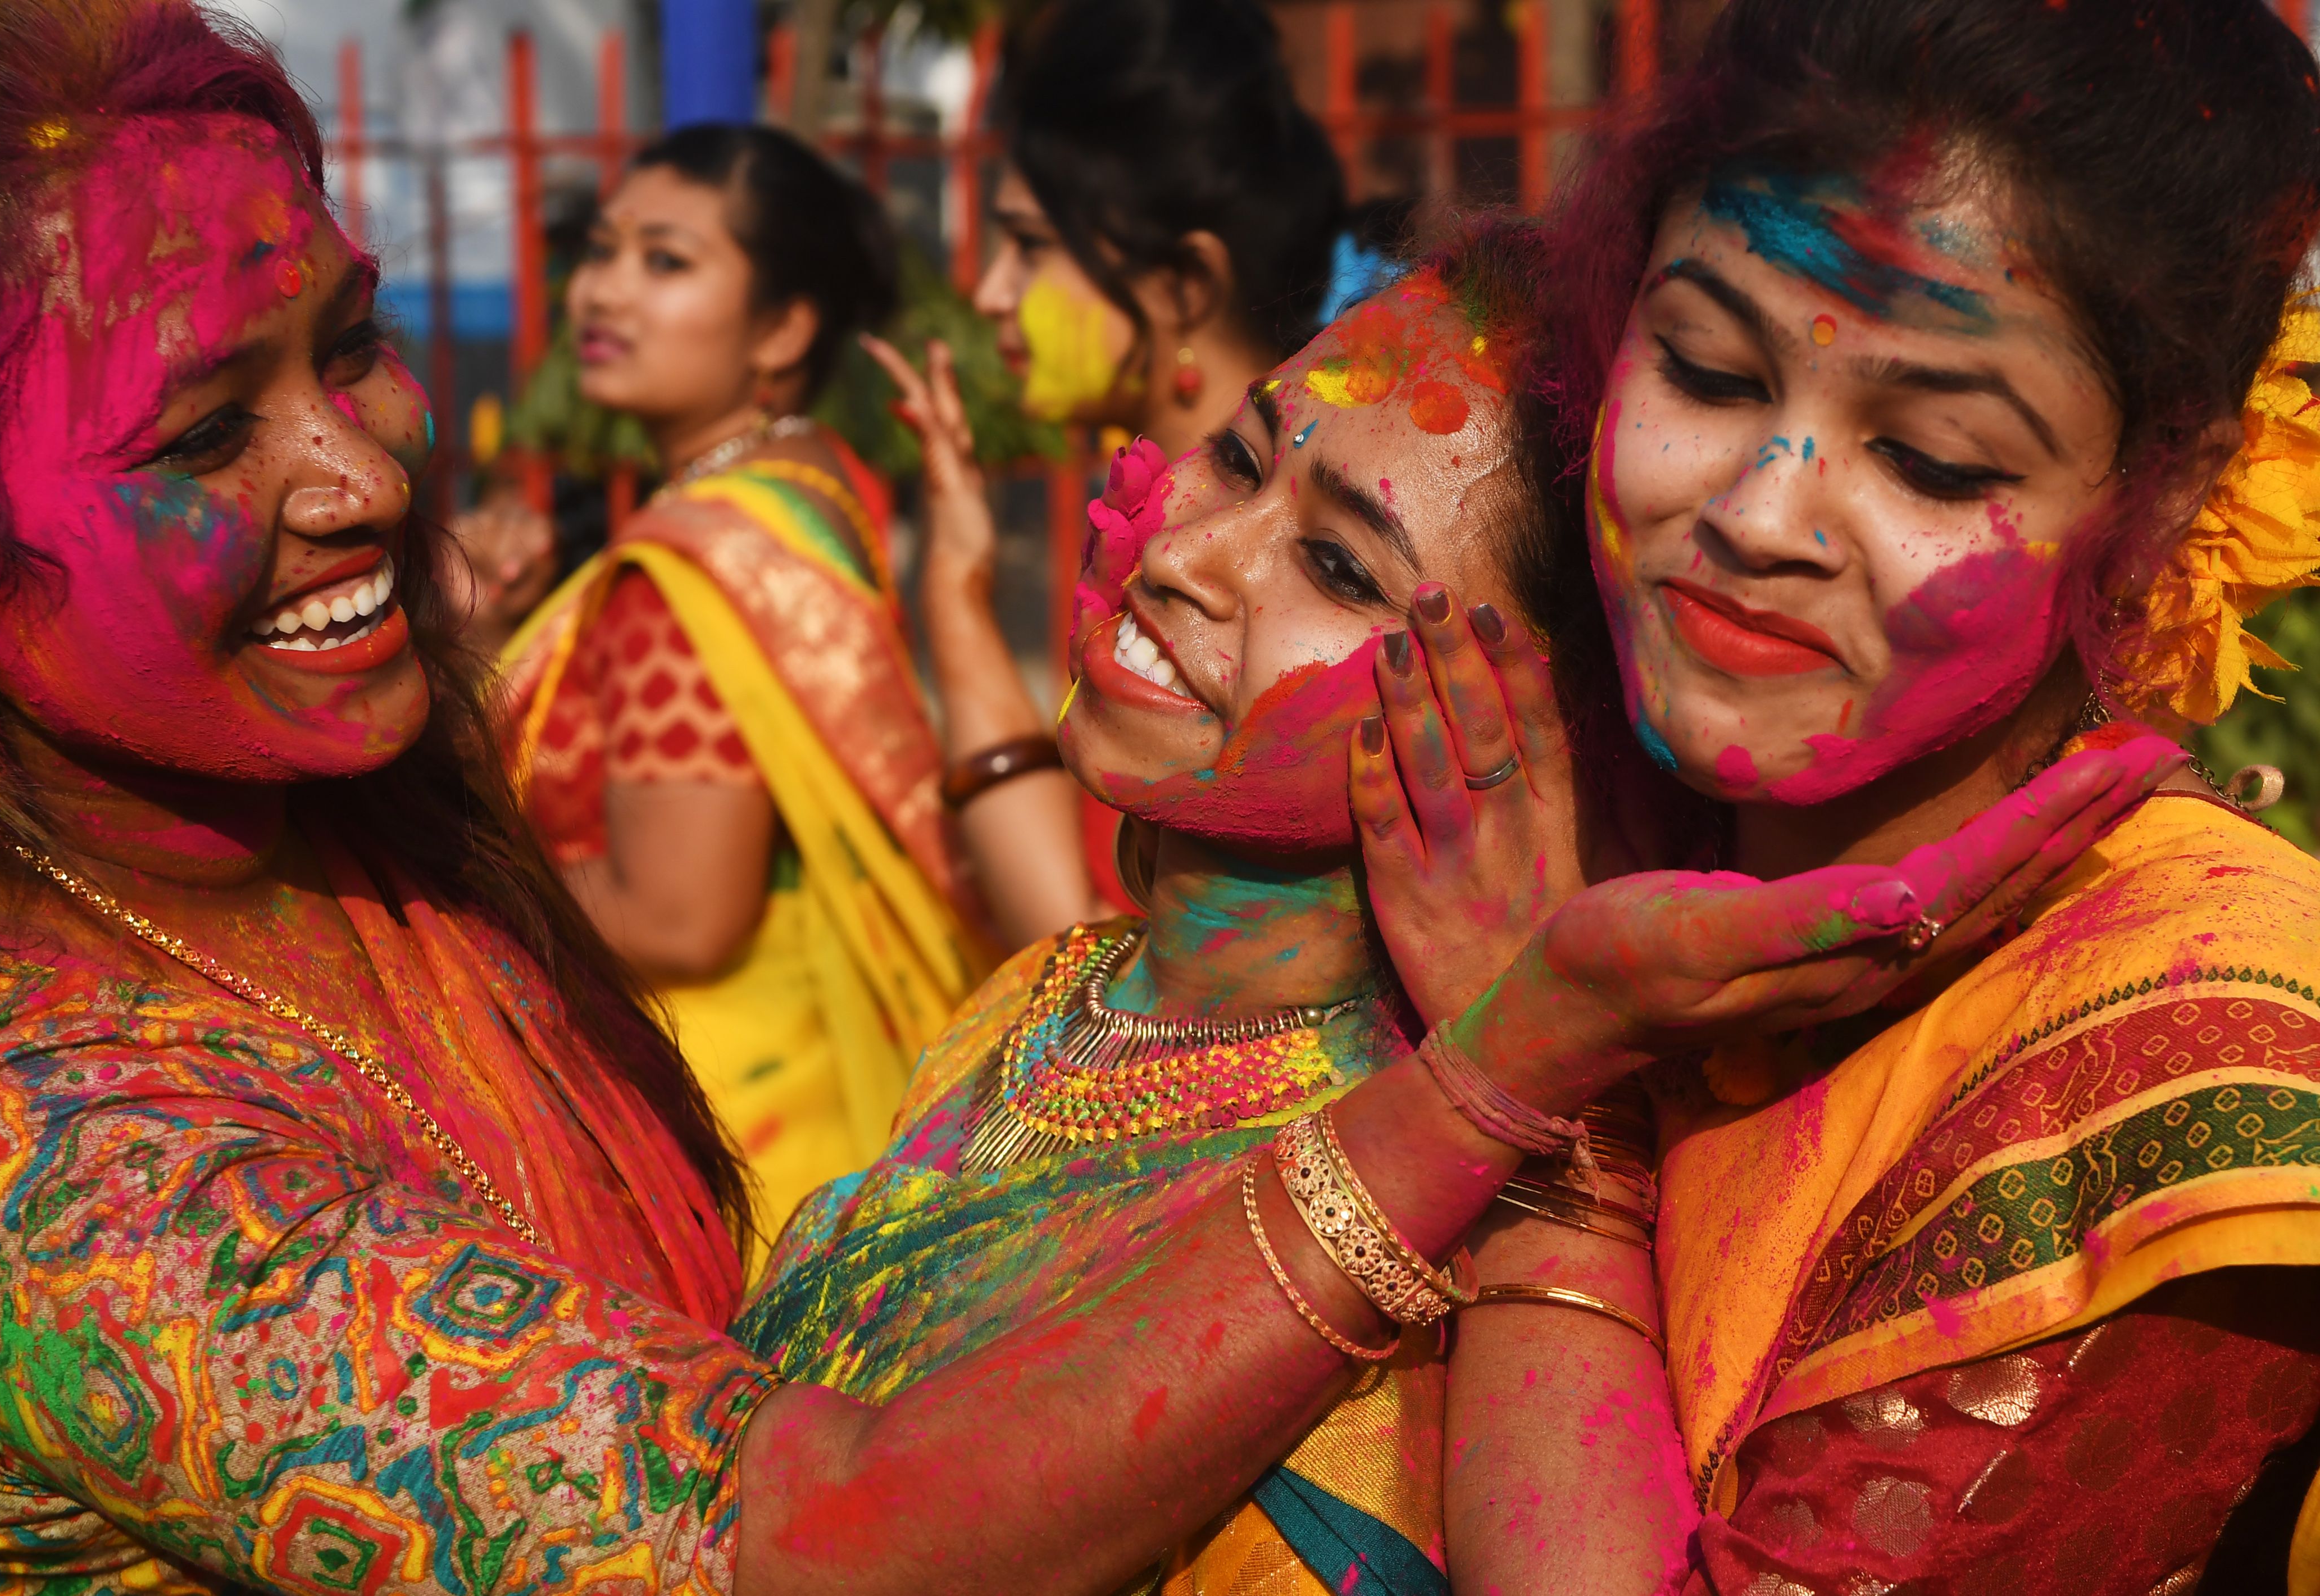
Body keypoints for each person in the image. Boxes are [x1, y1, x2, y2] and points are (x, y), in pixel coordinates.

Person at [0, 9, 2144, 1593]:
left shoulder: (1424, 1166)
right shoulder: (41, 1166)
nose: (371, 467)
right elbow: (802, 1518)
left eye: (358, 343)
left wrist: (1513, 1108)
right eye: (205, 435)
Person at [737, 223, 2176, 1593]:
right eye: (1240, 455)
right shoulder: (1049, 996)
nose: (1189, 554)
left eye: (1339, 566)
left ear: (1533, 724)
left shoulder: (1447, 1228)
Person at [1372, 0, 2320, 1588]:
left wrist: (1537, 1107)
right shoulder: (1531, 804)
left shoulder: (2192, 1065)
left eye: (1937, 461)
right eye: (1707, 367)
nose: (1760, 513)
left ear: (2163, 500)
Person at [494, 124, 992, 1235]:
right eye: (606, 249)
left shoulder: (692, 568)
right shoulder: (807, 490)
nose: (604, 292)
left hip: (727, 1133)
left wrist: (458, 873)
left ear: (781, 328)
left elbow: (678, 916)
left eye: (666, 262)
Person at [870, 0, 1352, 944]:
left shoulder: (1229, 566)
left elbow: (1085, 943)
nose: (991, 291)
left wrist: (959, 607)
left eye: (1034, 247)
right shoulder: (1165, 514)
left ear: (1182, 288)